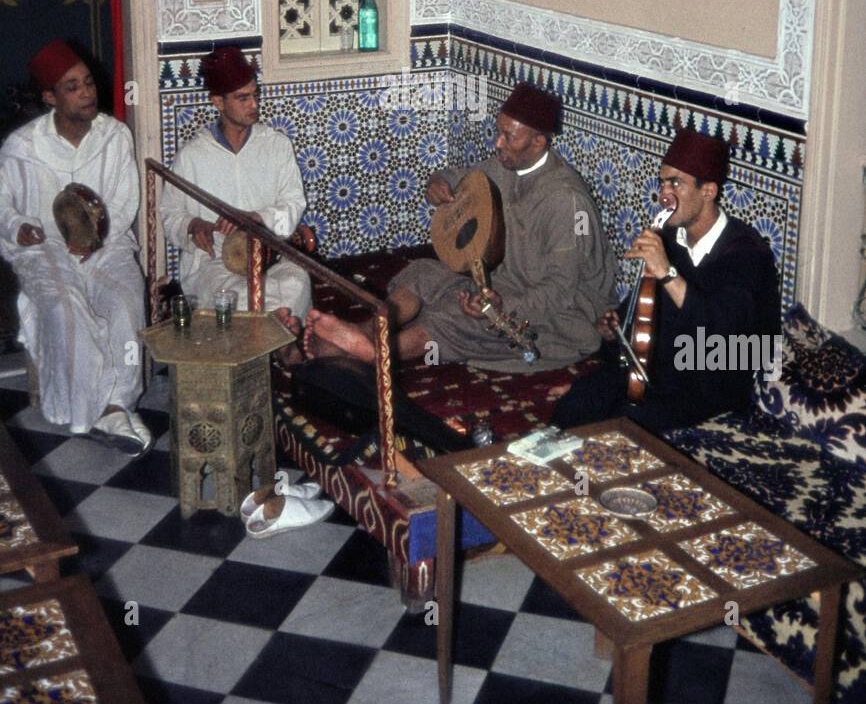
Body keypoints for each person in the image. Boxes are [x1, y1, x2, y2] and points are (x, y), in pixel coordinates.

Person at [305, 82, 618, 373]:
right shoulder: (505, 165)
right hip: (501, 284)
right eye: (499, 132)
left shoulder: (566, 200)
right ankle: (364, 332)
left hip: (560, 316)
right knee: (421, 273)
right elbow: (460, 177)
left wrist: (500, 305)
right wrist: (438, 184)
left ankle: (378, 353)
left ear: (539, 141)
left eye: (510, 137)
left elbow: (559, 292)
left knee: (450, 317)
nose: (498, 143)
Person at [551, 128, 781, 432]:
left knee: (621, 427)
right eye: (662, 182)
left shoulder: (747, 253)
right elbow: (641, 319)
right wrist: (613, 329)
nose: (664, 194)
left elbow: (722, 333)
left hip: (709, 385)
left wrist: (666, 272)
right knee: (574, 406)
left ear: (708, 192)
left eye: (676, 183)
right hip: (656, 372)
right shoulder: (671, 237)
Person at [0, 41, 150, 453]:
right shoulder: (22, 146)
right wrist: (18, 227)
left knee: (125, 301)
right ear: (50, 97)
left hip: (107, 245)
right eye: (72, 87)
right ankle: (92, 411)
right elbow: (3, 205)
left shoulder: (115, 136)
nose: (87, 93)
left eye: (88, 83)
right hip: (45, 247)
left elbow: (124, 202)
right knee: (66, 306)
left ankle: (120, 401)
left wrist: (94, 238)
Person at [160, 46, 311, 324]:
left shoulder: (276, 145)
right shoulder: (192, 155)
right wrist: (193, 226)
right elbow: (170, 213)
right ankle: (282, 345)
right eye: (242, 98)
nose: (253, 105)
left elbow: (294, 202)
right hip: (214, 259)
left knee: (295, 283)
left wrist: (256, 218)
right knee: (237, 297)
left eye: (255, 95)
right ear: (218, 102)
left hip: (270, 253)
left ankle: (276, 343)